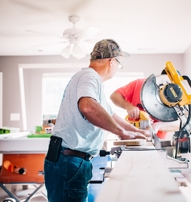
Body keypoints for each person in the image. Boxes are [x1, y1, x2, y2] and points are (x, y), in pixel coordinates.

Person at [44, 39, 149, 202]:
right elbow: (88, 107)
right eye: (119, 65)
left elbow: (111, 114)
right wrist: (122, 133)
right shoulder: (89, 76)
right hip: (69, 161)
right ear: (112, 61)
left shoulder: (92, 81)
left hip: (70, 160)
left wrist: (136, 131)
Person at [110, 70, 180, 139]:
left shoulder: (177, 100)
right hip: (132, 135)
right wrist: (128, 106)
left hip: (156, 139)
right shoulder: (140, 84)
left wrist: (157, 126)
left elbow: (179, 124)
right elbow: (114, 96)